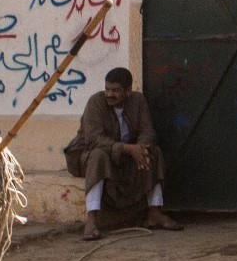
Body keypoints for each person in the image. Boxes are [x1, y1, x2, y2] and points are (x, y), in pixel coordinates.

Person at [64, 66, 180, 239]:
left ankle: (154, 213)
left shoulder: (138, 101)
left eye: (115, 91)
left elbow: (147, 131)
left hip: (122, 157)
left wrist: (140, 149)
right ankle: (92, 220)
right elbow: (94, 140)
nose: (110, 94)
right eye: (107, 90)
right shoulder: (95, 103)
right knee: (99, 156)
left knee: (152, 152)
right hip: (88, 157)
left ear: (128, 91)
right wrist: (128, 149)